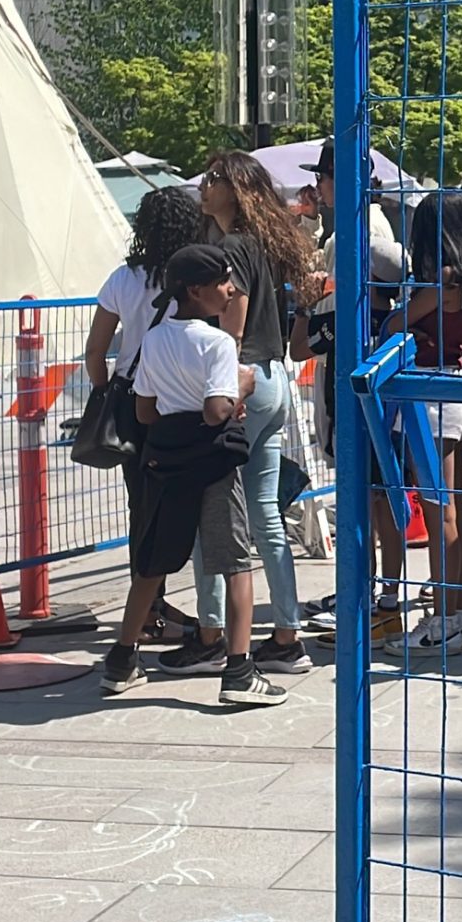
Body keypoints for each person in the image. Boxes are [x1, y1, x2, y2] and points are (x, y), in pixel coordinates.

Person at [98, 245, 284, 707]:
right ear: (196, 291)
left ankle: (122, 660)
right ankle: (239, 671)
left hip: (165, 462)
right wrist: (241, 386)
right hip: (212, 465)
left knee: (153, 561)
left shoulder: (156, 337)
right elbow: (217, 409)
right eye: (224, 282)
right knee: (235, 564)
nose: (232, 290)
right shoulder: (218, 342)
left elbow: (144, 410)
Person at [179, 151, 315, 676]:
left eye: (213, 179)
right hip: (272, 378)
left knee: (213, 513)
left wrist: (226, 374)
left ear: (234, 190)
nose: (205, 187)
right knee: (264, 516)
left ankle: (212, 632)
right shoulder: (260, 244)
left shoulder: (231, 247)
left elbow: (232, 315)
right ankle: (286, 634)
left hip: (244, 379)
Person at [297, 140, 409, 645]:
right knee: (366, 491)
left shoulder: (367, 228)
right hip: (349, 370)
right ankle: (365, 592)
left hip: (361, 373)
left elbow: (395, 278)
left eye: (322, 178)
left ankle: (378, 599)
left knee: (373, 493)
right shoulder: (348, 227)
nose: (318, 188)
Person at [83, 186, 206, 645]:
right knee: (190, 508)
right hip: (185, 402)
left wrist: (103, 395)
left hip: (133, 402)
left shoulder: (124, 278)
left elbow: (96, 350)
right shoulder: (198, 279)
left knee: (143, 506)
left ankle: (148, 605)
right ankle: (179, 607)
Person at [377, 191, 462, 655]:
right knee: (454, 504)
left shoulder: (440, 279)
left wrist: (399, 323)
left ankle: (444, 619)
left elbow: (395, 323)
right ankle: (455, 612)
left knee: (440, 508)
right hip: (456, 388)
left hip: (433, 395)